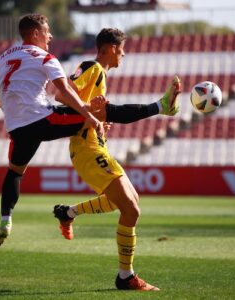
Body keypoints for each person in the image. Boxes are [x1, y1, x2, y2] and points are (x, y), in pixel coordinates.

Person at [0, 14, 180, 249]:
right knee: (104, 113)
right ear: (36, 33)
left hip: (16, 128)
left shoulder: (3, 58)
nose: (51, 36)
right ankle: (160, 106)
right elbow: (63, 93)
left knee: (15, 173)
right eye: (47, 31)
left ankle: (7, 220)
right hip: (46, 121)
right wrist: (89, 114)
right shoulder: (52, 58)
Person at [53, 28, 181, 291]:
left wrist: (97, 118)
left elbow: (89, 107)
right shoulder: (92, 67)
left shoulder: (99, 75)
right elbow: (62, 95)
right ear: (111, 48)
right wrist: (155, 107)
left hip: (94, 147)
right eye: (122, 48)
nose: (124, 53)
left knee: (126, 202)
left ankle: (68, 212)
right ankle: (126, 276)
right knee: (131, 209)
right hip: (88, 149)